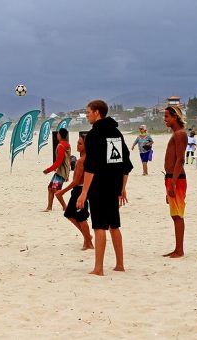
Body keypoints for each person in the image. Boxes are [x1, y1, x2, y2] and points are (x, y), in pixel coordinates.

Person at [76, 100, 133, 276]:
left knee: (99, 226)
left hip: (99, 186)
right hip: (114, 185)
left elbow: (91, 167)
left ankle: (98, 268)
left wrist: (83, 192)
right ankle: (120, 264)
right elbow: (125, 162)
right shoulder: (116, 132)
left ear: (97, 113)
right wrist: (123, 187)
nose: (87, 115)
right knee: (114, 225)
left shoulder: (94, 135)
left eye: (88, 112)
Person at [55, 134, 93, 250]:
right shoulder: (86, 159)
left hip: (80, 190)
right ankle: (87, 237)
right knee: (69, 214)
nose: (77, 145)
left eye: (80, 144)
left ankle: (88, 243)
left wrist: (63, 191)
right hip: (80, 189)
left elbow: (76, 181)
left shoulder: (81, 161)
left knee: (81, 217)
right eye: (77, 143)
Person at [163, 106, 188, 258]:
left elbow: (181, 159)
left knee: (178, 215)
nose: (164, 119)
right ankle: (177, 248)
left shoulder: (180, 134)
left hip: (176, 178)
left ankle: (180, 250)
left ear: (175, 117)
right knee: (174, 214)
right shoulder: (176, 134)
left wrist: (172, 183)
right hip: (172, 178)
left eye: (166, 116)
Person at [43, 128, 71, 211]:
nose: (57, 135)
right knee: (50, 188)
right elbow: (68, 159)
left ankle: (65, 207)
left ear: (60, 135)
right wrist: (68, 172)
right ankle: (49, 207)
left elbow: (58, 162)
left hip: (61, 172)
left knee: (55, 189)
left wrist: (48, 170)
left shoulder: (61, 146)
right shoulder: (66, 144)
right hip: (62, 171)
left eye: (58, 134)